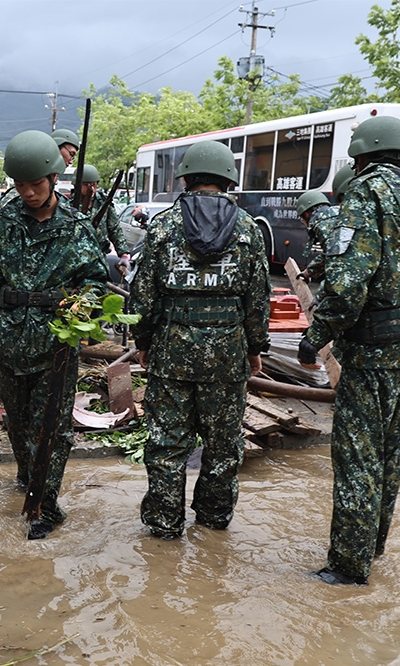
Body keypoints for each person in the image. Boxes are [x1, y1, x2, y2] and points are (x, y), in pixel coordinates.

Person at [297, 115, 400, 585]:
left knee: (356, 458)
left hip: (371, 353)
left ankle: (347, 568)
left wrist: (314, 338)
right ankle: (375, 546)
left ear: (362, 154)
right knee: (389, 454)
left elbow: (348, 284)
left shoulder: (365, 194)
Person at [0, 130, 107, 540]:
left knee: (53, 429)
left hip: (56, 344)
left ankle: (46, 506)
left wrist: (82, 310)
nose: (28, 193)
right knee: (18, 424)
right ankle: (29, 477)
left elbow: (96, 282)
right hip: (8, 344)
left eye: (35, 185)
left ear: (53, 179)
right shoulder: (5, 226)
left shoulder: (76, 227)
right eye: (20, 186)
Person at [128, 140, 271, 540]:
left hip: (171, 350)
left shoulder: (163, 225)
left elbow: (143, 295)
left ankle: (164, 526)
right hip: (227, 354)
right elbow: (258, 299)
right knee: (223, 444)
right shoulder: (248, 228)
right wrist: (255, 348)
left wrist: (144, 340)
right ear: (228, 178)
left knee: (167, 442)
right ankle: (213, 522)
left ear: (186, 177)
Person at [78, 163, 130, 282]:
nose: (91, 188)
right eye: (86, 185)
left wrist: (124, 254)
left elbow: (115, 229)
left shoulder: (104, 203)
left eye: (94, 184)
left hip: (99, 257)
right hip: (76, 258)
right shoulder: (69, 205)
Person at [295, 190, 333, 284]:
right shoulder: (337, 213)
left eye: (302, 218)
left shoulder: (322, 224)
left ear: (307, 213)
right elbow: (329, 252)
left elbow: (334, 256)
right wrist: (309, 272)